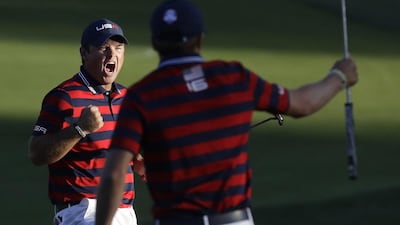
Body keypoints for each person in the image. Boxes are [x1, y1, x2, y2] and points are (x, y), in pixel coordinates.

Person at [95, 0, 358, 225]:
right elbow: (301, 104)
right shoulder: (234, 77)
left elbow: (115, 173)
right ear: (200, 38)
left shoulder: (141, 95)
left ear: (155, 42)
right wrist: (339, 77)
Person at [29, 18, 144, 225]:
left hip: (126, 211)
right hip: (84, 212)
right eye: (103, 47)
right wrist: (79, 129)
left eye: (118, 48)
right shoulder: (64, 97)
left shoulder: (127, 98)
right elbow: (37, 153)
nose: (112, 55)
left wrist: (139, 162)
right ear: (84, 53)